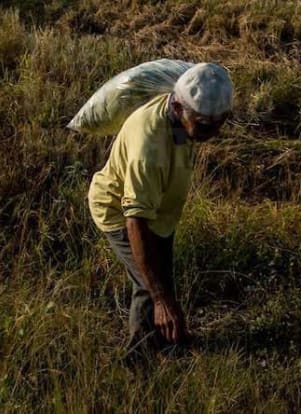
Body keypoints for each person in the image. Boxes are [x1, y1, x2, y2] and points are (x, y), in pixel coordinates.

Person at [88, 62, 234, 362]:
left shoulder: (181, 116)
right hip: (119, 212)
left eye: (221, 123)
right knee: (148, 282)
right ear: (179, 108)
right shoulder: (149, 145)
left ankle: (169, 341)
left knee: (164, 275)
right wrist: (159, 298)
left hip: (159, 212)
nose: (213, 133)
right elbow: (135, 221)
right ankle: (138, 360)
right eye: (205, 126)